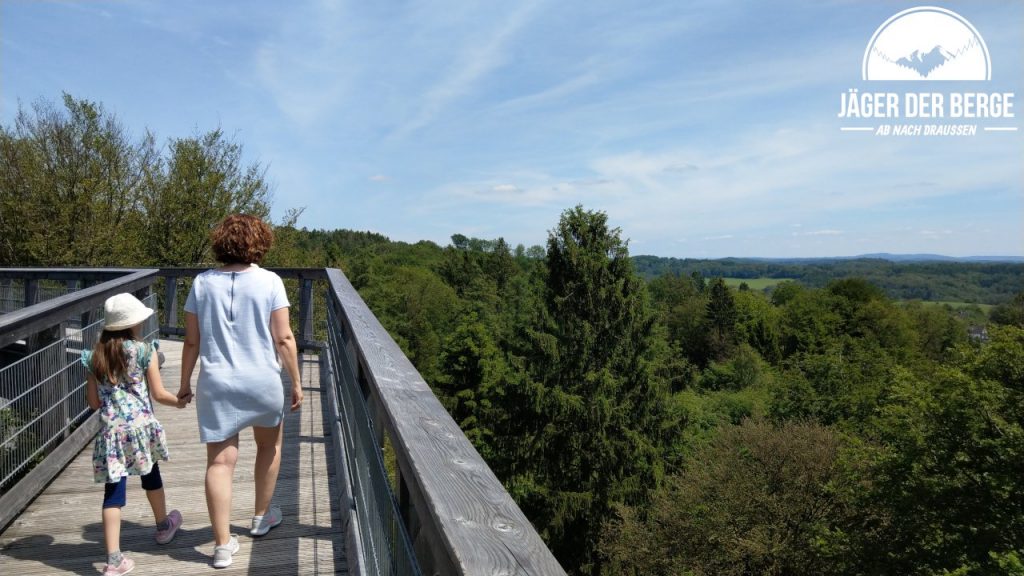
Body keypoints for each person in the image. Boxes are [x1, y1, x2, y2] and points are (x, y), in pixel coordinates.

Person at [177, 213, 303, 569]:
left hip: (217, 384)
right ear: (259, 242)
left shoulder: (202, 283)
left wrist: (184, 383)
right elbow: (284, 338)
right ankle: (261, 517)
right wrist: (296, 382)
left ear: (221, 242)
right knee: (269, 446)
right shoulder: (271, 281)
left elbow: (191, 341)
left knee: (219, 462)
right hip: (262, 381)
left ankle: (221, 545)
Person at [83, 293, 188, 576]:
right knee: (151, 476)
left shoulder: (94, 357)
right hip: (141, 430)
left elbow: (93, 403)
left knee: (113, 493)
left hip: (112, 434)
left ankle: (114, 559)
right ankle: (163, 527)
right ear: (133, 323)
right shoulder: (144, 351)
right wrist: (179, 402)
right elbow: (159, 393)